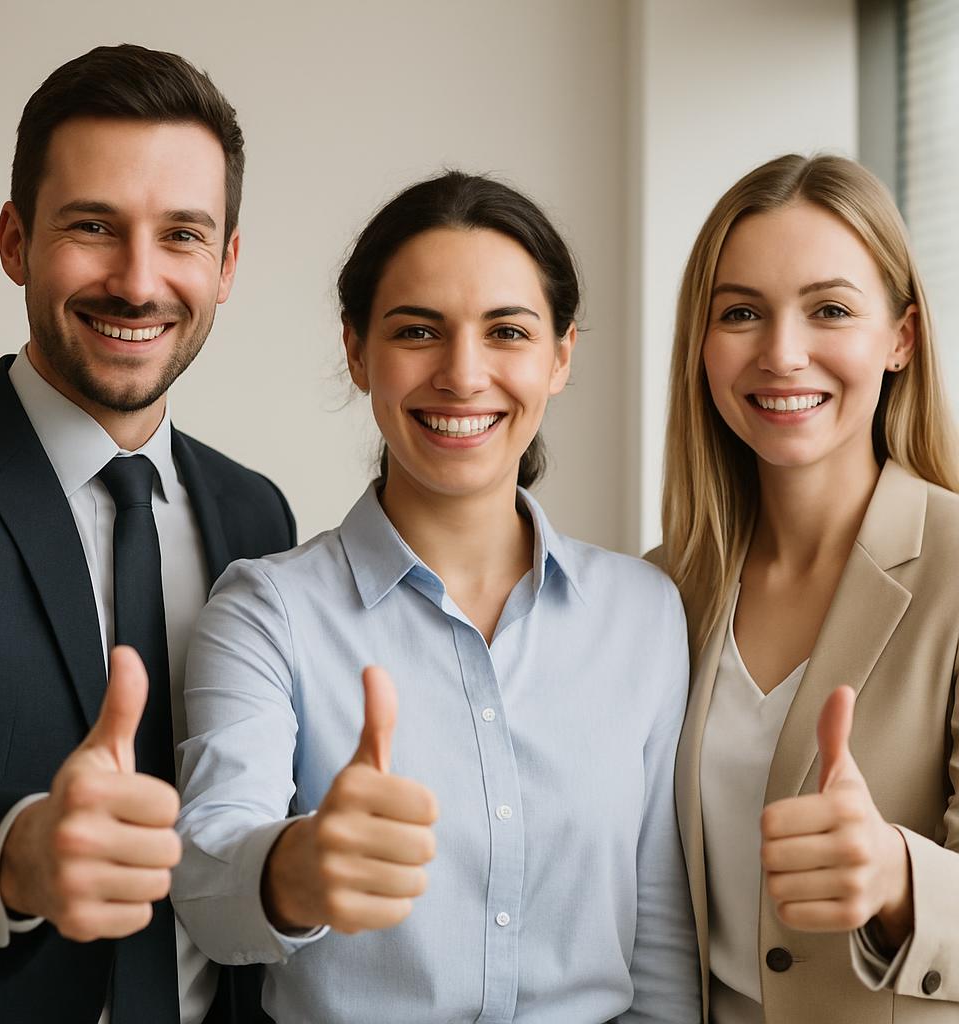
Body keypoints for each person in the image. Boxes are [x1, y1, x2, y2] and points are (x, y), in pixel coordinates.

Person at [173, 171, 701, 1023]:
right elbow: (208, 883)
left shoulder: (645, 613)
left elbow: (662, 953)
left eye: (507, 332)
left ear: (561, 356)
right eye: (418, 331)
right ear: (357, 351)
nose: (462, 374)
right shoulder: (265, 611)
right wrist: (303, 864)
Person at [0, 44, 294, 1024]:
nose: (138, 283)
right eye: (94, 227)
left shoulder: (258, 517)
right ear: (15, 240)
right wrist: (13, 849)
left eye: (181, 235)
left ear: (225, 265)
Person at [652, 153, 959, 1023]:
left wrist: (900, 876)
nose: (782, 354)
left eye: (829, 310)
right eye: (742, 313)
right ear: (702, 346)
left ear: (901, 338)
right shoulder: (659, 591)